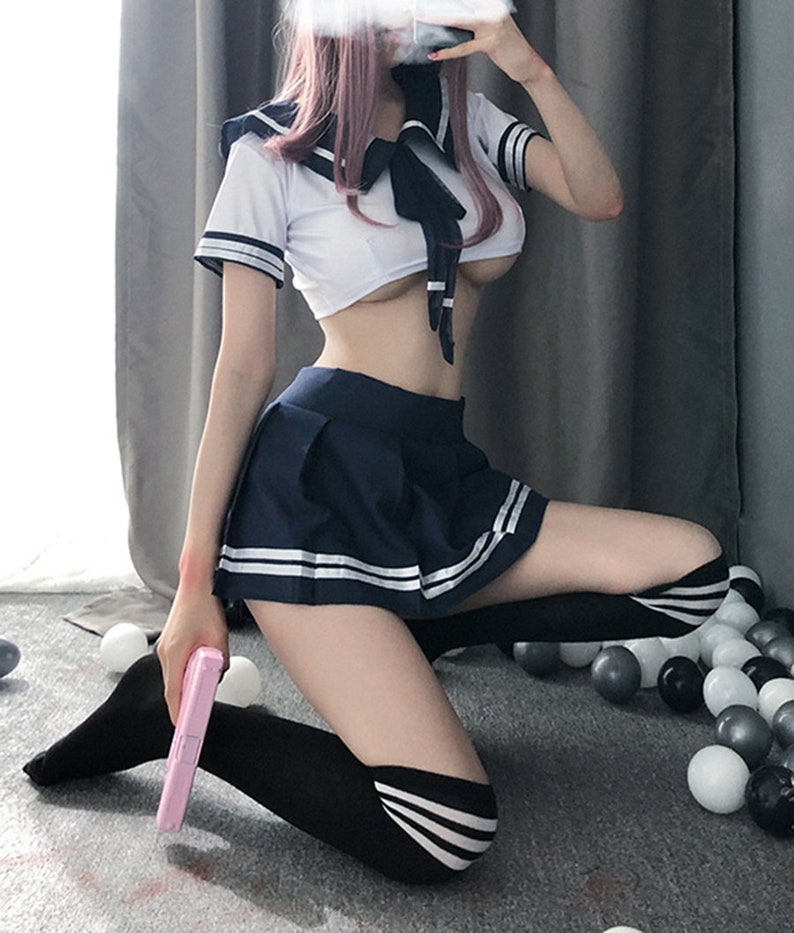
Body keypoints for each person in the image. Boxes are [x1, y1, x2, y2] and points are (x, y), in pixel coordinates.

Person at [24, 1, 727, 885]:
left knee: (693, 572)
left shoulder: (465, 120)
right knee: (448, 830)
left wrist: (529, 67)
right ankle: (178, 726)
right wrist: (193, 584)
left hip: (436, 472)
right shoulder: (270, 152)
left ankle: (412, 628)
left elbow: (600, 196)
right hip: (316, 489)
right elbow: (241, 369)